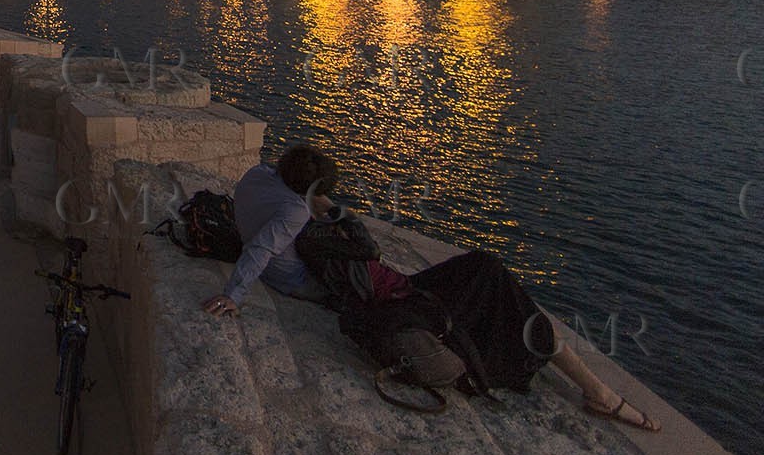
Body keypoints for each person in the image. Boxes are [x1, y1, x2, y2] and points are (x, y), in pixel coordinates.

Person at [199, 143, 662, 433]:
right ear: (309, 192)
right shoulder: (296, 214)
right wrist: (234, 295)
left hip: (345, 276)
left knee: (486, 273)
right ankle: (599, 393)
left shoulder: (258, 176)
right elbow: (261, 248)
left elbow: (267, 227)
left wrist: (318, 208)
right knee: (489, 275)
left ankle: (589, 383)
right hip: (340, 288)